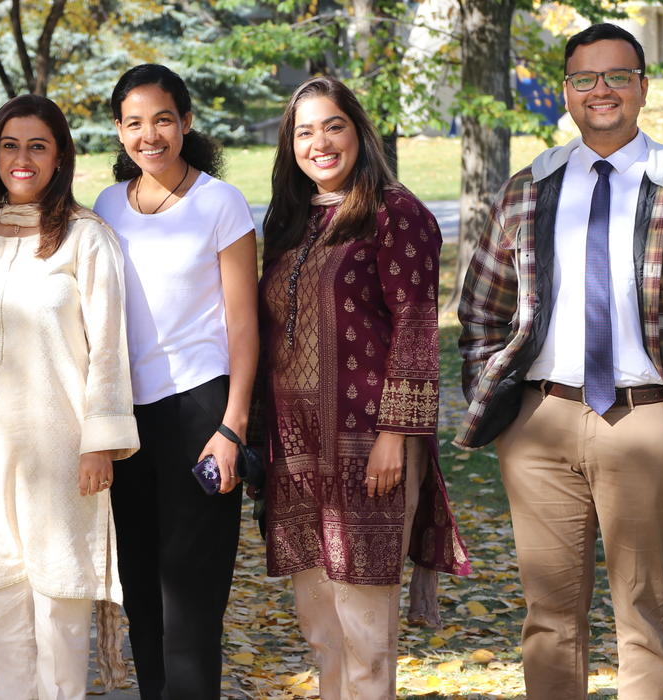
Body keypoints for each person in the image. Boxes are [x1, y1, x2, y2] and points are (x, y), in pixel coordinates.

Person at [456, 23, 663, 699]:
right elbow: (480, 309)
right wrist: (506, 407)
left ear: (643, 87)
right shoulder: (530, 189)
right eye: (585, 78)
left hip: (648, 423)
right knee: (548, 619)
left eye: (617, 76)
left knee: (642, 619)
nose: (602, 91)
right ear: (566, 91)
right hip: (541, 426)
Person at [257, 77, 471, 699]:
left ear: (358, 131)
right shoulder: (289, 222)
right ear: (289, 146)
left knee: (367, 639)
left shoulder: (395, 213)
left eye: (333, 126)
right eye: (304, 132)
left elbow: (415, 327)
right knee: (321, 633)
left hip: (368, 449)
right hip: (295, 454)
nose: (319, 142)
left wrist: (395, 434)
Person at [0, 93, 138, 700]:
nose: (22, 158)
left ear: (60, 157)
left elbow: (109, 349)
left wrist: (101, 442)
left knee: (59, 609)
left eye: (37, 146)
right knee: (3, 612)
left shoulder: (86, 238)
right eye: (10, 145)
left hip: (63, 454)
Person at [92, 63, 258, 699]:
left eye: (163, 119)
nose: (149, 134)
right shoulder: (109, 205)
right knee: (142, 594)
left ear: (185, 123)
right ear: (119, 131)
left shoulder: (220, 203)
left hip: (200, 413)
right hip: (128, 422)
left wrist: (231, 428)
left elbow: (244, 328)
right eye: (134, 123)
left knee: (191, 603)